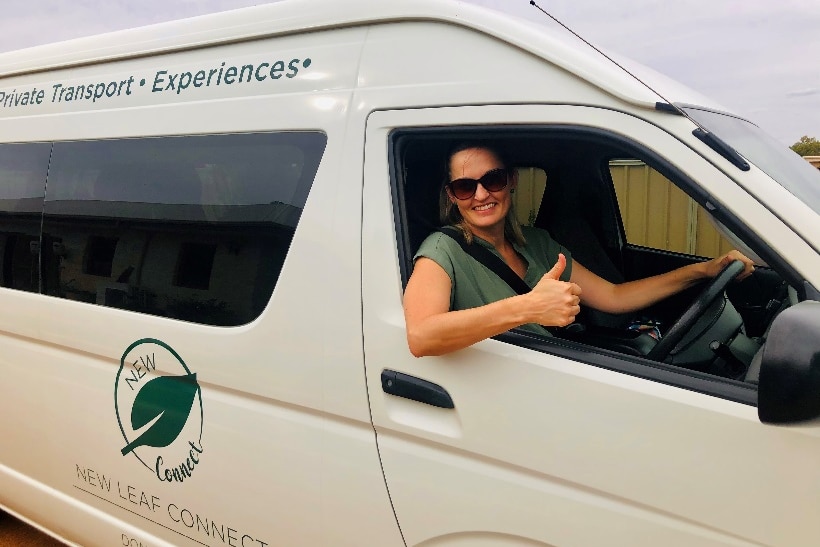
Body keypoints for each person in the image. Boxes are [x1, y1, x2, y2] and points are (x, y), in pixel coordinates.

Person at [403, 143, 755, 357]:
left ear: (511, 180)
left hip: (552, 369)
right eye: (465, 186)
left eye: (492, 180)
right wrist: (527, 307)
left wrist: (703, 271)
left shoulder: (536, 241)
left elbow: (615, 297)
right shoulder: (442, 249)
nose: (481, 195)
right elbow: (421, 336)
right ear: (452, 196)